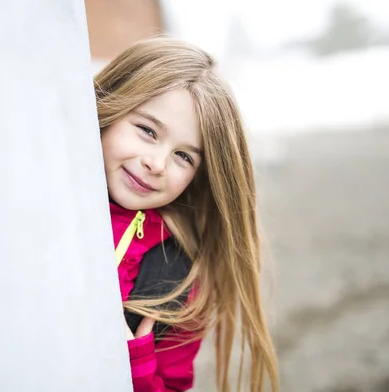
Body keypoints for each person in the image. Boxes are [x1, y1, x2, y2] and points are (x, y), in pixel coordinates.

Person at [95, 37, 279, 392]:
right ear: (109, 107)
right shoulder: (44, 194)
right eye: (147, 131)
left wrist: (134, 367)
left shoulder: (178, 279)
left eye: (184, 156)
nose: (156, 164)